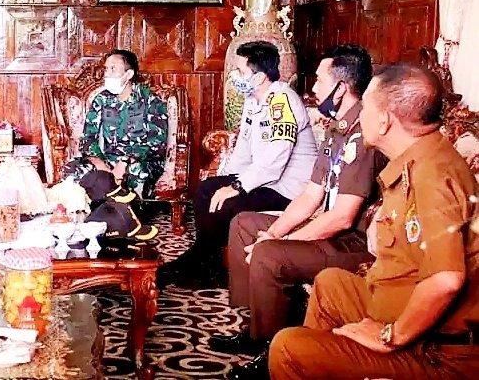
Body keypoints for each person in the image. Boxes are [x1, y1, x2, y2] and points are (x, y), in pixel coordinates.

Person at [269, 63, 479, 379]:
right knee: (330, 285)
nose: (359, 115)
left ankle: (303, 360)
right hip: (403, 306)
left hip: (437, 350)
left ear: (385, 121)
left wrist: (391, 336)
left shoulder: (432, 177)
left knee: (287, 347)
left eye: (366, 106)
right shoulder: (422, 156)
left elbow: (446, 279)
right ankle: (321, 362)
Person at [213, 44, 383, 379]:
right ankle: (255, 328)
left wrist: (282, 240)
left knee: (269, 254)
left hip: (352, 242)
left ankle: (272, 351)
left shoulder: (363, 134)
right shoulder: (337, 129)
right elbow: (311, 194)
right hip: (327, 224)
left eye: (319, 80)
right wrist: (274, 231)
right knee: (245, 224)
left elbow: (342, 218)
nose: (313, 87)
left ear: (341, 88)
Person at [158, 41, 318, 288]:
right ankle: (206, 262)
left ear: (260, 77)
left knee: (228, 203)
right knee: (206, 190)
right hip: (267, 182)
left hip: (289, 190)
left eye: (241, 71)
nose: (235, 76)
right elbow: (243, 150)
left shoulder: (282, 101)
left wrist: (236, 187)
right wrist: (225, 180)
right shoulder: (253, 100)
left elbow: (275, 159)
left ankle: (203, 265)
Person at [61, 49, 168, 199]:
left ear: (128, 74)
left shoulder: (151, 101)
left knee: (137, 172)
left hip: (140, 162)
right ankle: (102, 202)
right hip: (108, 160)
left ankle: (126, 206)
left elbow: (156, 145)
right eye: (106, 69)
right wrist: (100, 164)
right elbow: (87, 139)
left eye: (113, 69)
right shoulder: (102, 100)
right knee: (72, 169)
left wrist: (125, 162)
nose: (107, 74)